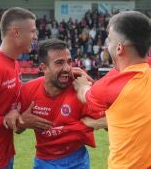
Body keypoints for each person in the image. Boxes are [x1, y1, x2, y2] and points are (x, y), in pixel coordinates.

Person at [73, 11, 151, 169]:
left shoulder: (108, 87)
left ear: (119, 48)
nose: (107, 45)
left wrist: (81, 84)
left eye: (109, 40)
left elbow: (86, 95)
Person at [17, 38, 106, 169]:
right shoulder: (28, 91)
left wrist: (89, 123)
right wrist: (22, 121)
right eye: (59, 63)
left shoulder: (80, 87)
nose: (67, 68)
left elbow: (110, 121)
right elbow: (17, 129)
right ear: (43, 67)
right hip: (44, 161)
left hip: (77, 159)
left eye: (69, 62)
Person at [0, 7, 52, 169]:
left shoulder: (13, 63)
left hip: (4, 154)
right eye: (32, 31)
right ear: (16, 32)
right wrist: (14, 120)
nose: (35, 36)